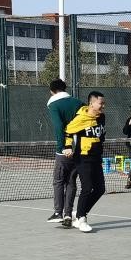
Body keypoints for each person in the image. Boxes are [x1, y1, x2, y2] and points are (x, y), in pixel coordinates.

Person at [63, 91, 107, 233]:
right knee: (87, 187)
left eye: (104, 103)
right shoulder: (80, 118)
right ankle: (81, 219)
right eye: (101, 103)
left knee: (100, 189)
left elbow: (101, 135)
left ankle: (80, 212)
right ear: (91, 103)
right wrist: (68, 146)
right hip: (83, 158)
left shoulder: (102, 117)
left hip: (96, 158)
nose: (103, 106)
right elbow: (68, 131)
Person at [46, 79, 84, 224]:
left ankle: (58, 213)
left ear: (51, 91)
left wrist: (63, 147)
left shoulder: (54, 105)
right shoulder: (79, 103)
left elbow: (58, 126)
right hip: (79, 149)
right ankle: (68, 214)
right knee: (71, 181)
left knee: (58, 181)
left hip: (64, 151)